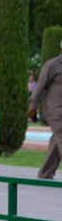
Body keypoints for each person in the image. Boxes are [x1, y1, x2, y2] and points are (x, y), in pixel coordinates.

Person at [31, 48, 62, 179]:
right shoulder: (52, 65)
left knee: (57, 140)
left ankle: (45, 173)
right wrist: (33, 106)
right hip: (53, 110)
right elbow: (39, 86)